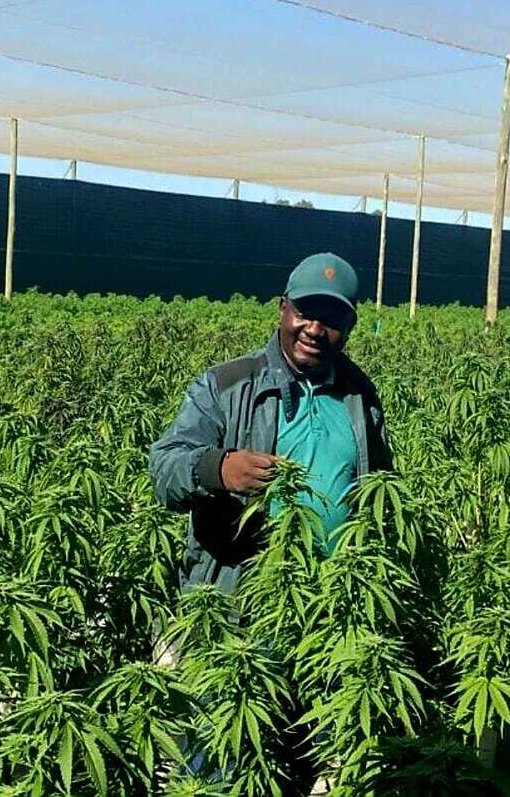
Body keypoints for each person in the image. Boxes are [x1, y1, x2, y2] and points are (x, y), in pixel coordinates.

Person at [149, 252, 394, 595]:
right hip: (240, 604)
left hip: (335, 601)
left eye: (332, 319)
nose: (315, 330)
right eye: (305, 312)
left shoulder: (360, 395)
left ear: (350, 326)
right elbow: (164, 468)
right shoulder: (226, 385)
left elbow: (381, 486)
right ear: (283, 308)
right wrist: (218, 468)